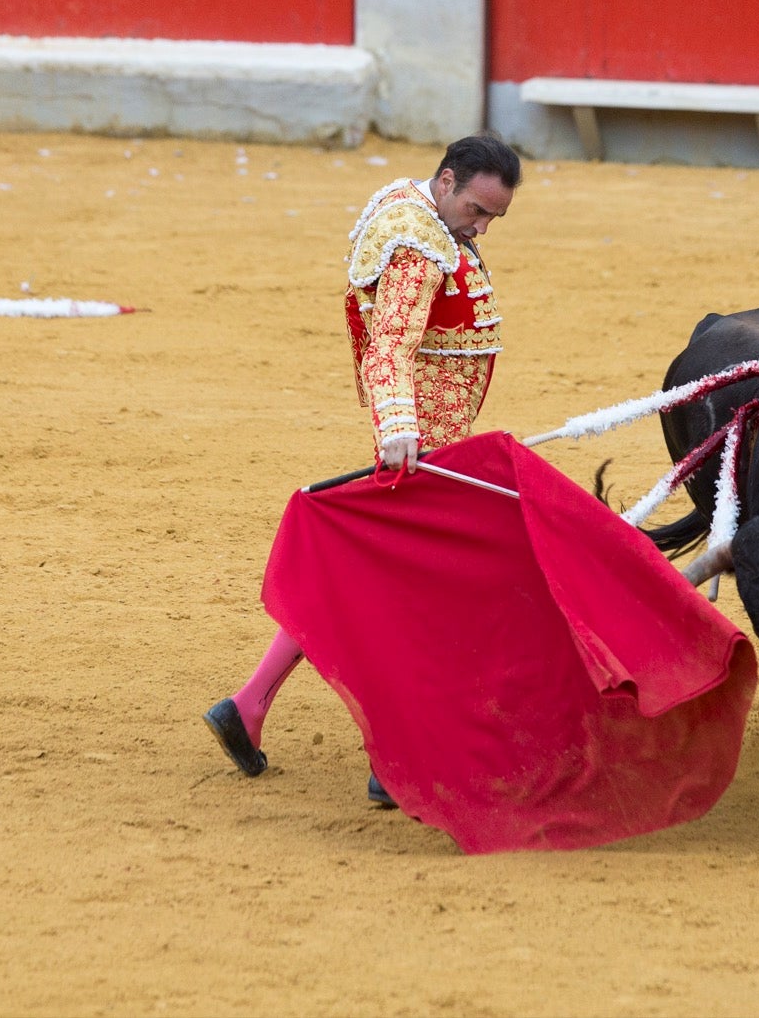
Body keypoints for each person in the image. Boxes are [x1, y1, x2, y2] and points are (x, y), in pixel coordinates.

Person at [204, 133, 522, 806]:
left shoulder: (426, 215)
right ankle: (393, 756)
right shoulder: (418, 244)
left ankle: (250, 704)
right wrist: (403, 433)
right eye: (477, 207)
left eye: (494, 216)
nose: (483, 225)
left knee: (363, 583)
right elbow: (389, 348)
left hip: (436, 448)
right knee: (421, 605)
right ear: (444, 181)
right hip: (424, 453)